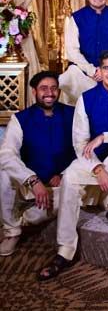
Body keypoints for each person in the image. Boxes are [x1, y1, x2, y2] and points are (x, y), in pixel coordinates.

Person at [38, 51, 108, 280]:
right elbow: (80, 144)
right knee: (69, 177)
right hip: (93, 160)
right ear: (99, 71)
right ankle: (65, 250)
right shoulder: (86, 98)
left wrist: (104, 136)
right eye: (107, 68)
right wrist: (97, 169)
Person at [0, 71, 75, 256]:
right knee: (3, 173)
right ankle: (12, 232)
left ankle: (24, 219)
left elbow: (83, 150)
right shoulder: (21, 119)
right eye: (43, 88)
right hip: (30, 183)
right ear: (34, 92)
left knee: (76, 192)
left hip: (59, 185)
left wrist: (64, 174)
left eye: (53, 88)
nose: (49, 92)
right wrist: (32, 179)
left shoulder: (72, 115)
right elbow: (6, 154)